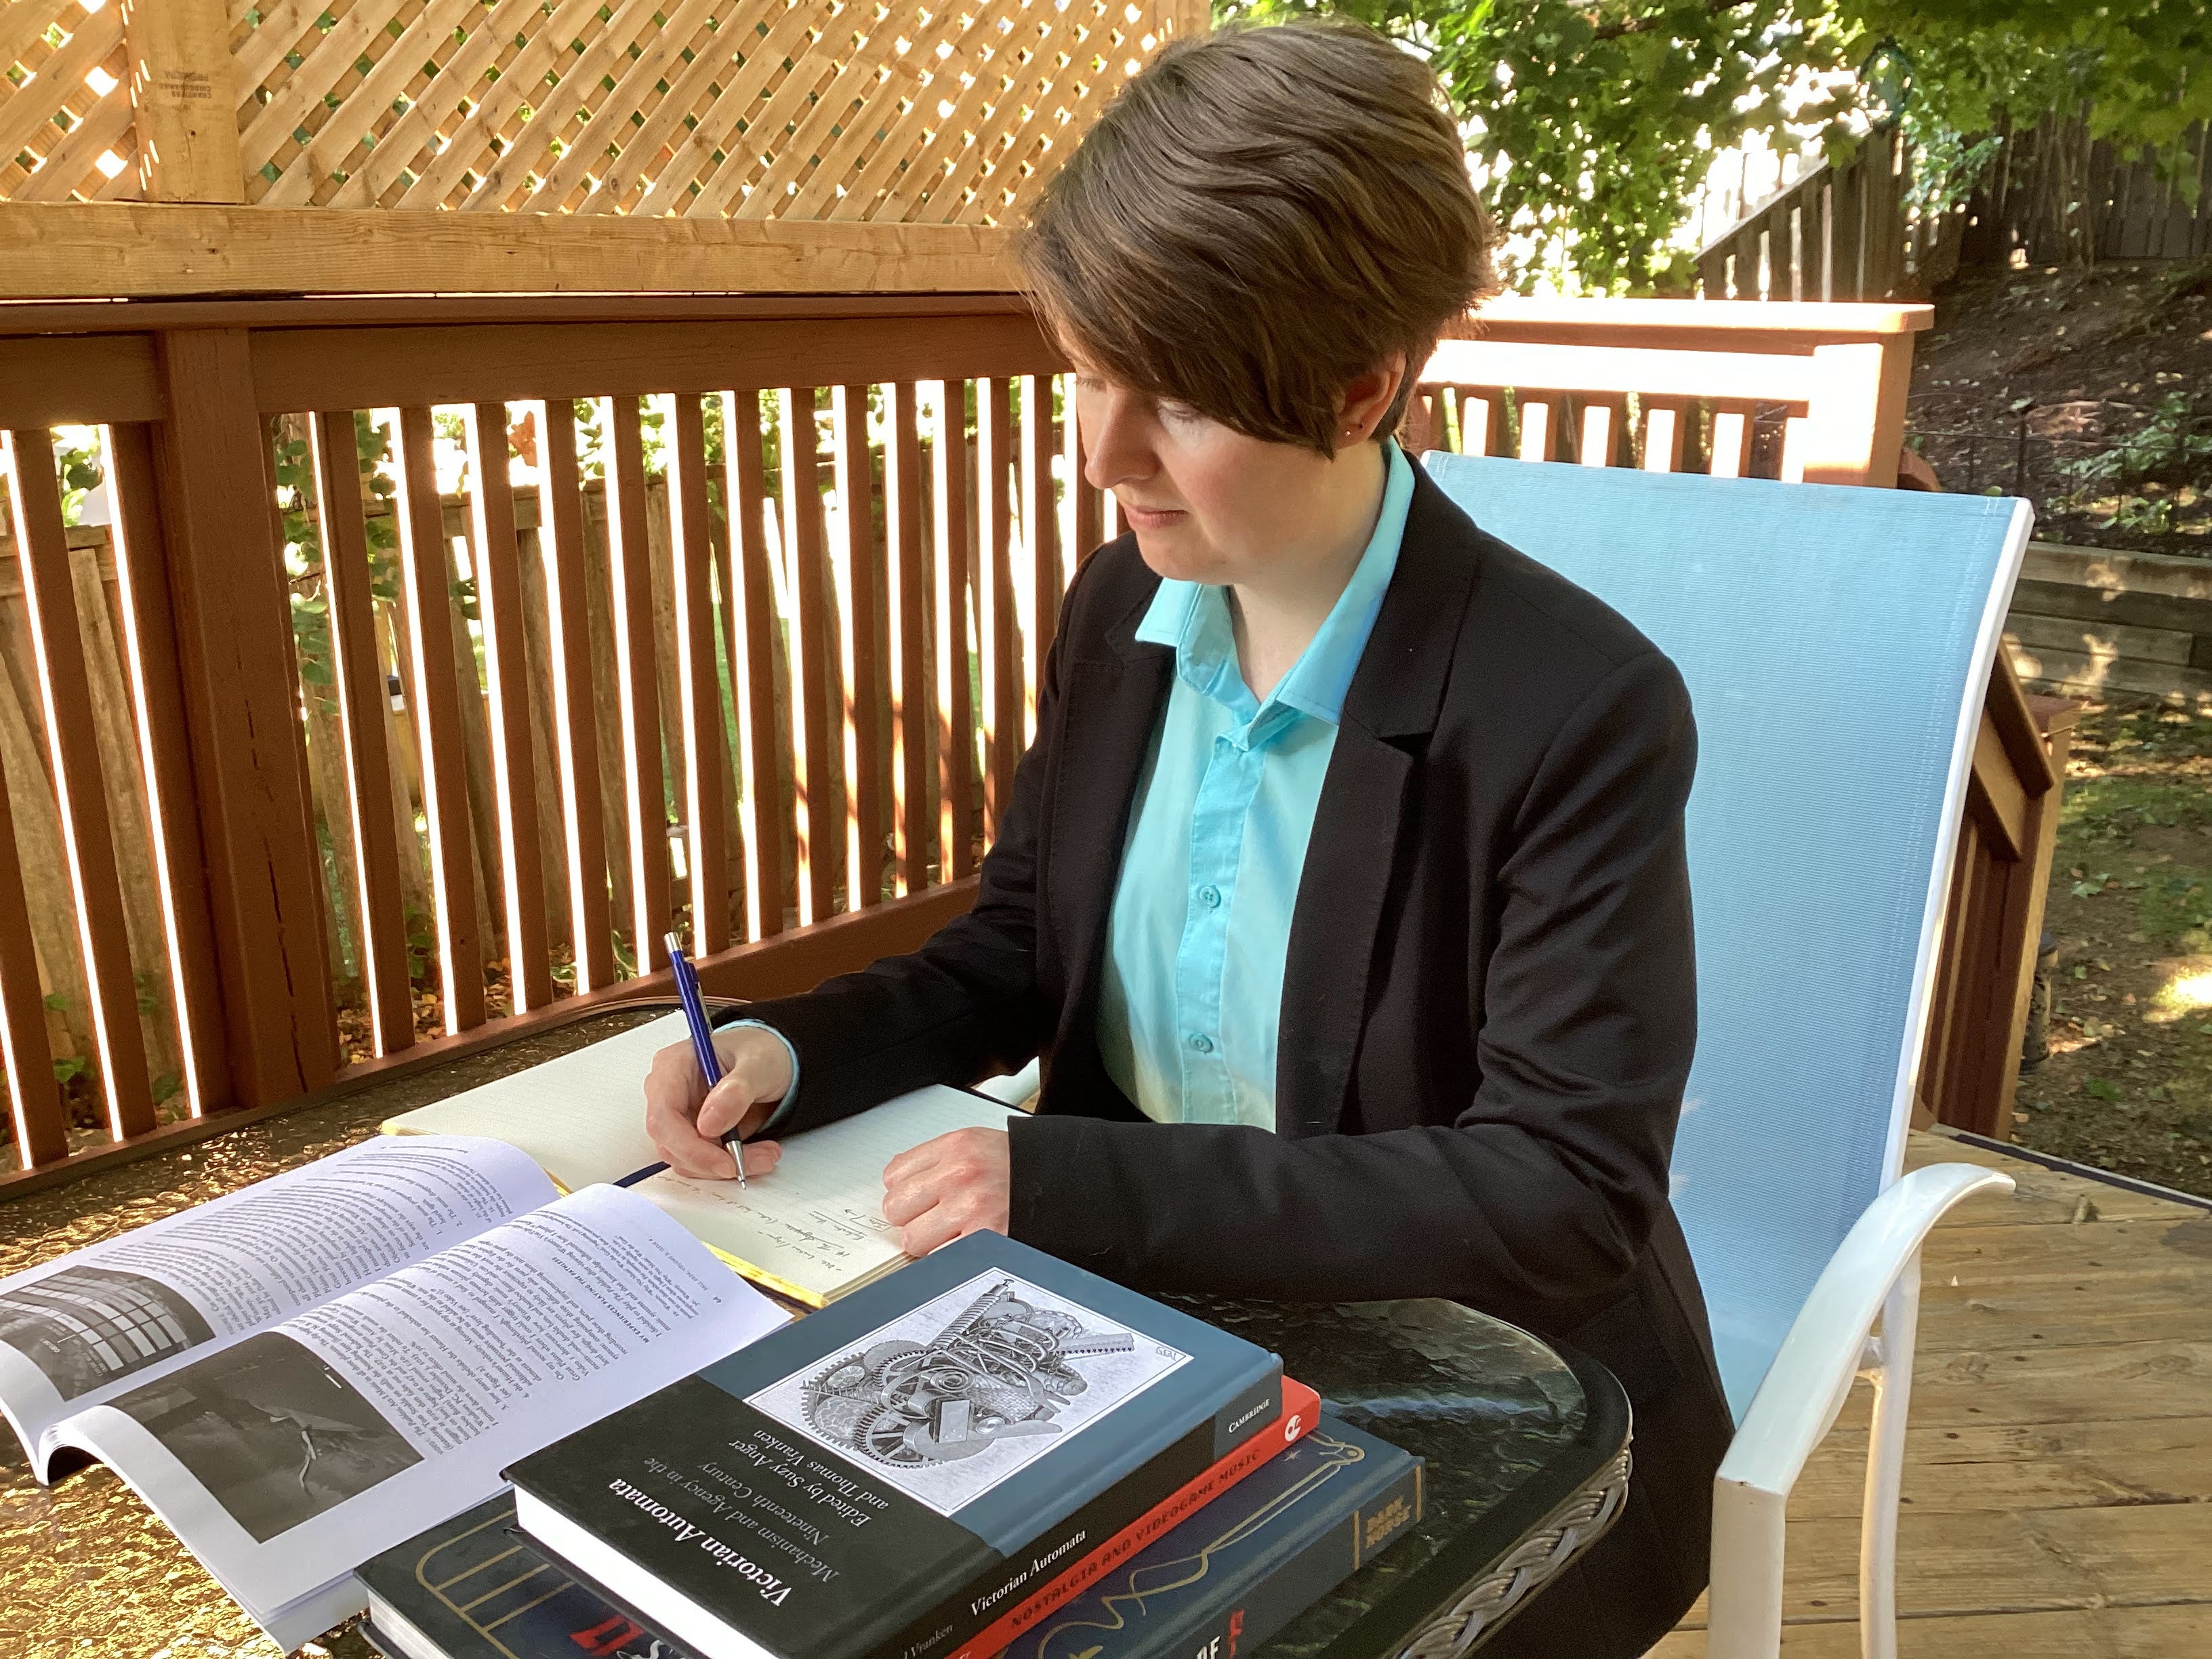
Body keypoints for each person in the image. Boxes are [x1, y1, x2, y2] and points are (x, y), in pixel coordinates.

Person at [642, 20, 1733, 1657]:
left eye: (1177, 397)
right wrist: (795, 1050)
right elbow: (1018, 951)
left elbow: (1563, 1194)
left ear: (1364, 383)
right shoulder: (1122, 615)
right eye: (1087, 368)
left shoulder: (1573, 707)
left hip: (1475, 1398)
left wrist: (1075, 1182)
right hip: (1131, 1331)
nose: (1101, 451)